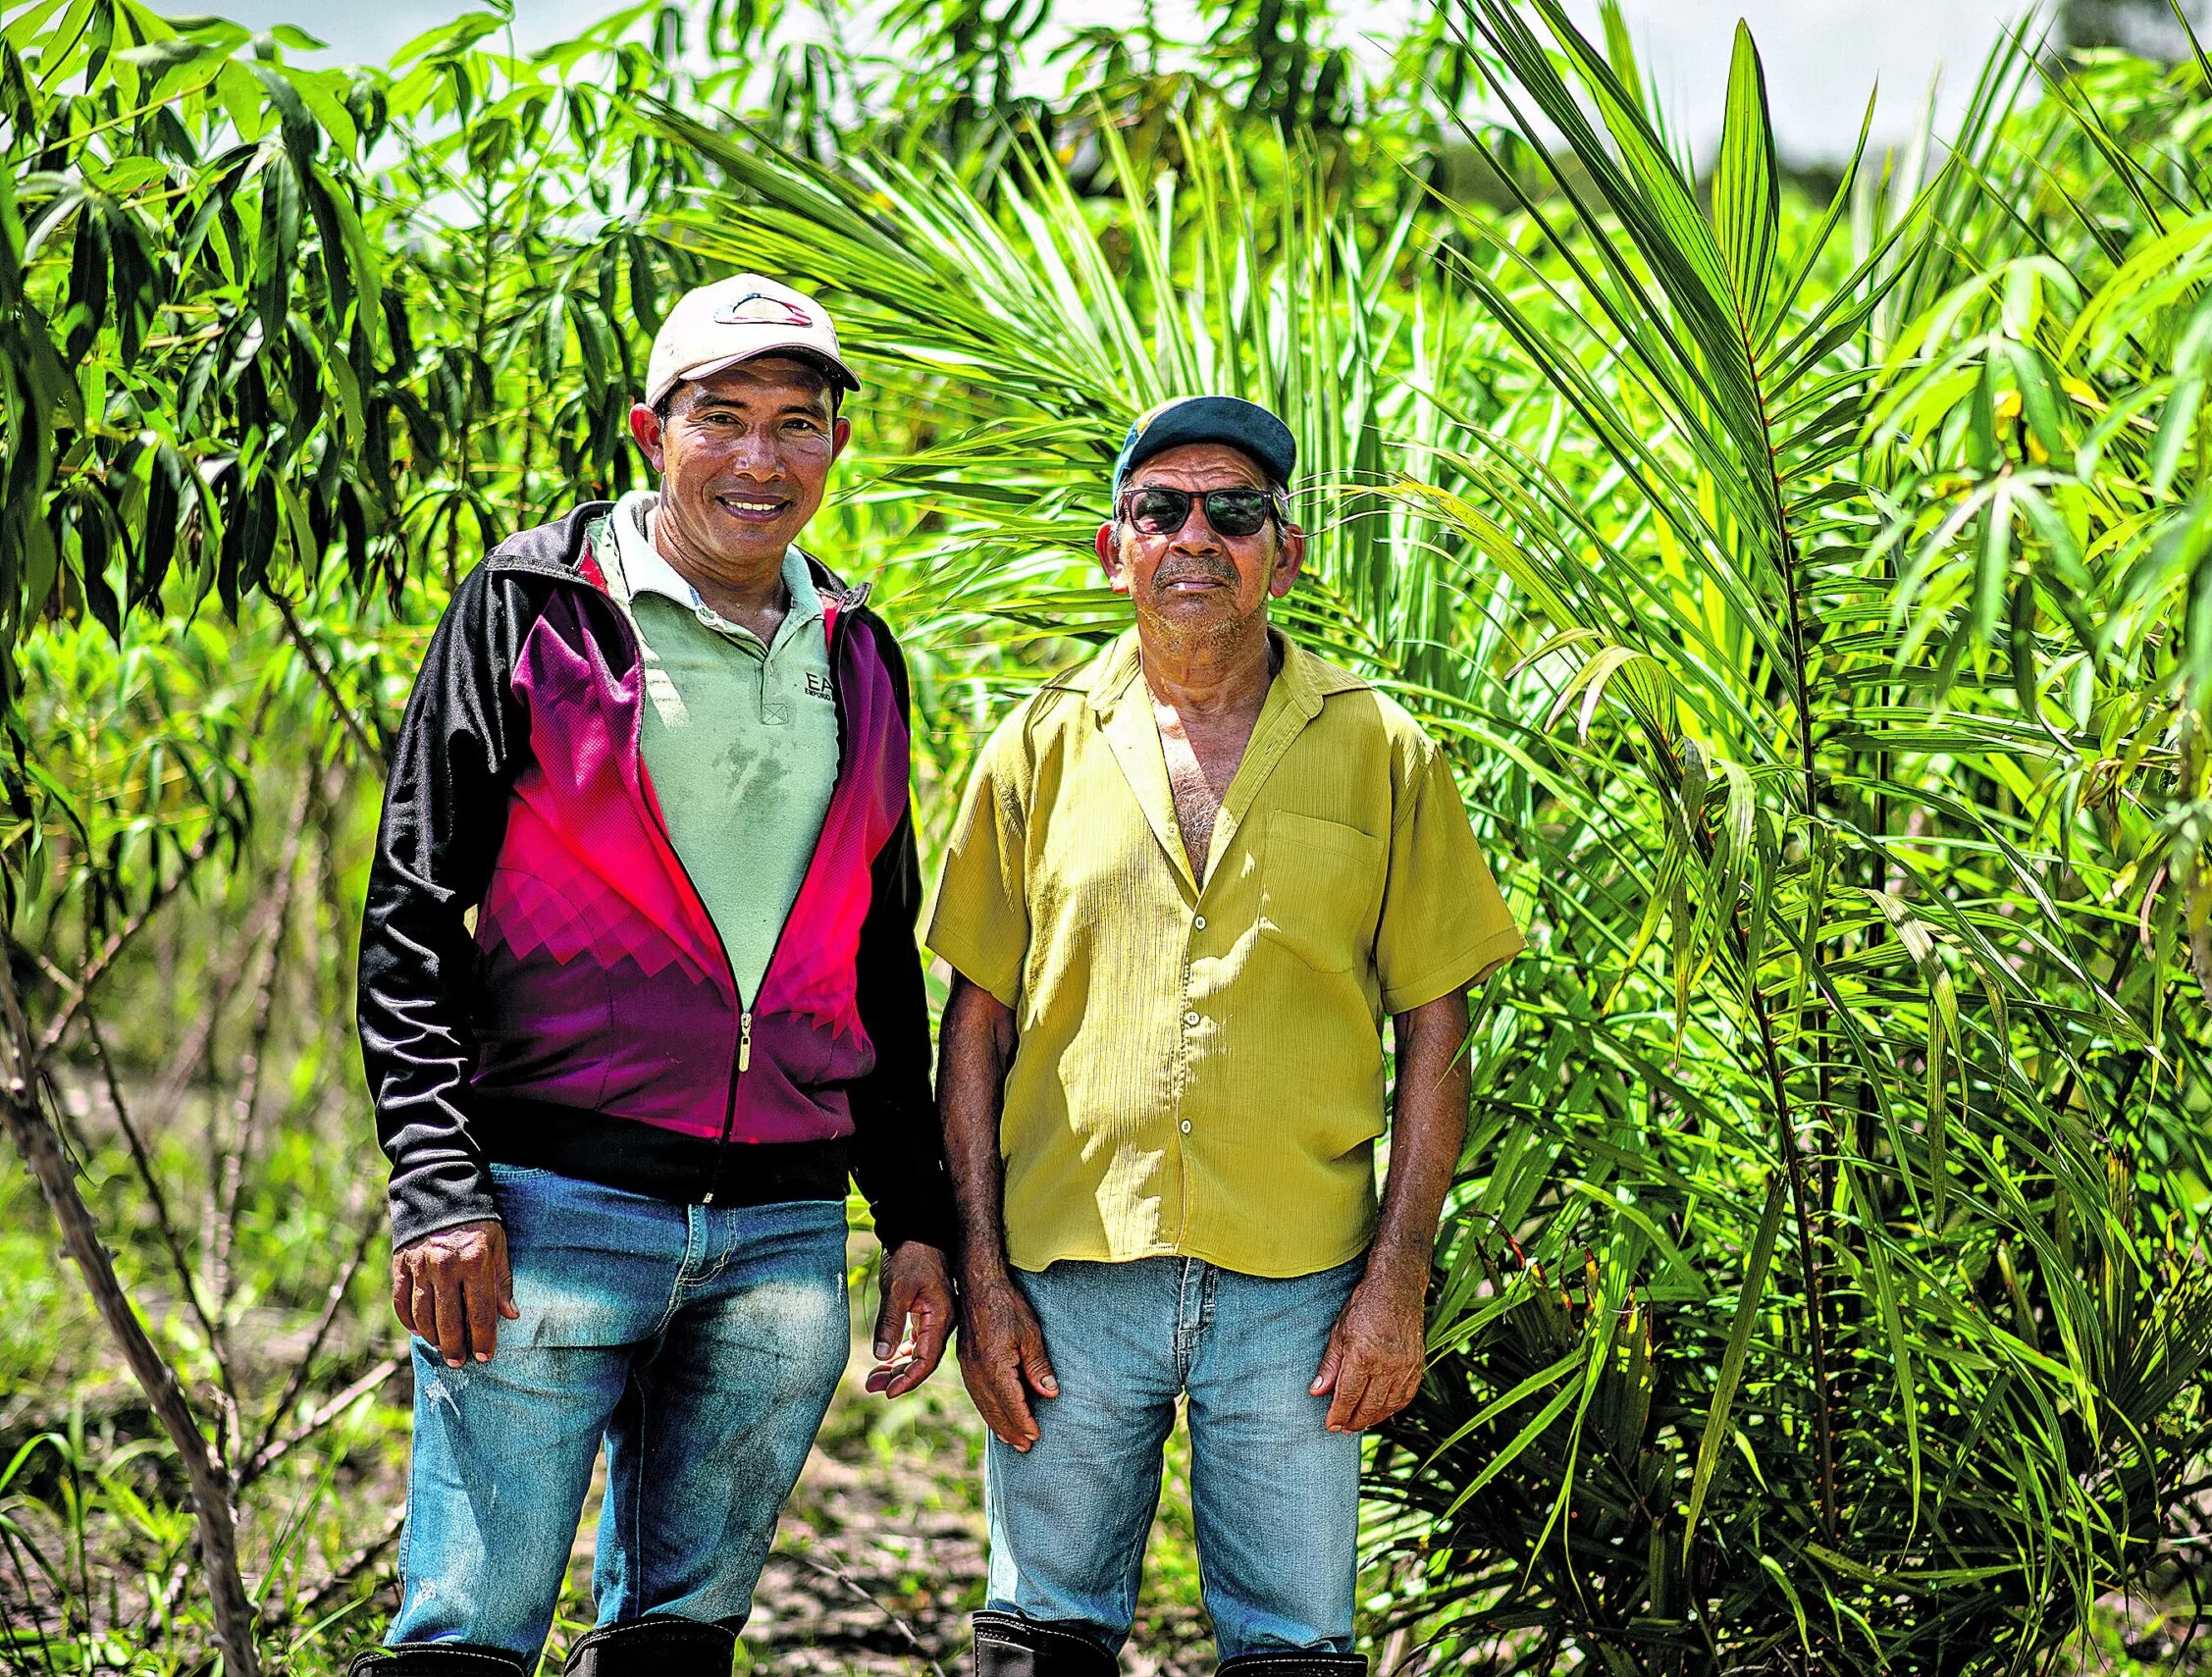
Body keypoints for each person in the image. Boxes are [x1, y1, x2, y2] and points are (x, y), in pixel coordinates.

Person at [353, 275, 956, 1677]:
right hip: (550, 1217)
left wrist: (913, 1213)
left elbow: (875, 957)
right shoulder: (533, 607)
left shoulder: (859, 651)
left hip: (781, 1244)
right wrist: (438, 1182)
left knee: (682, 1647)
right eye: (722, 420)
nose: (760, 461)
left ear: (834, 449)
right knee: (464, 1642)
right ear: (650, 429)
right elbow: (412, 912)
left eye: (796, 426)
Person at [925, 395, 1523, 1676]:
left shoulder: (1381, 751)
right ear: (1115, 547)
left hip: (1300, 1296)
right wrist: (981, 1275)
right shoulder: (1033, 750)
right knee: (1039, 1637)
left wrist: (1400, 1275)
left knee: (1296, 1652)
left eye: (1235, 511)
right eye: (1163, 508)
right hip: (1067, 1277)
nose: (1197, 535)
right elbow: (972, 1031)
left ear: (1284, 553)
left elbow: (1437, 1028)